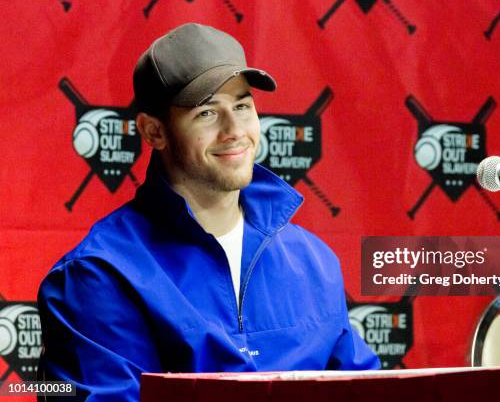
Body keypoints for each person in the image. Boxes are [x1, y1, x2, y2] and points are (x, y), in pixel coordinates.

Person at [37, 23, 380, 401]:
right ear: (154, 132)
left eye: (242, 106)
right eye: (206, 113)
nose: (234, 130)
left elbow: (368, 391)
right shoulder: (97, 275)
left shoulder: (314, 262)